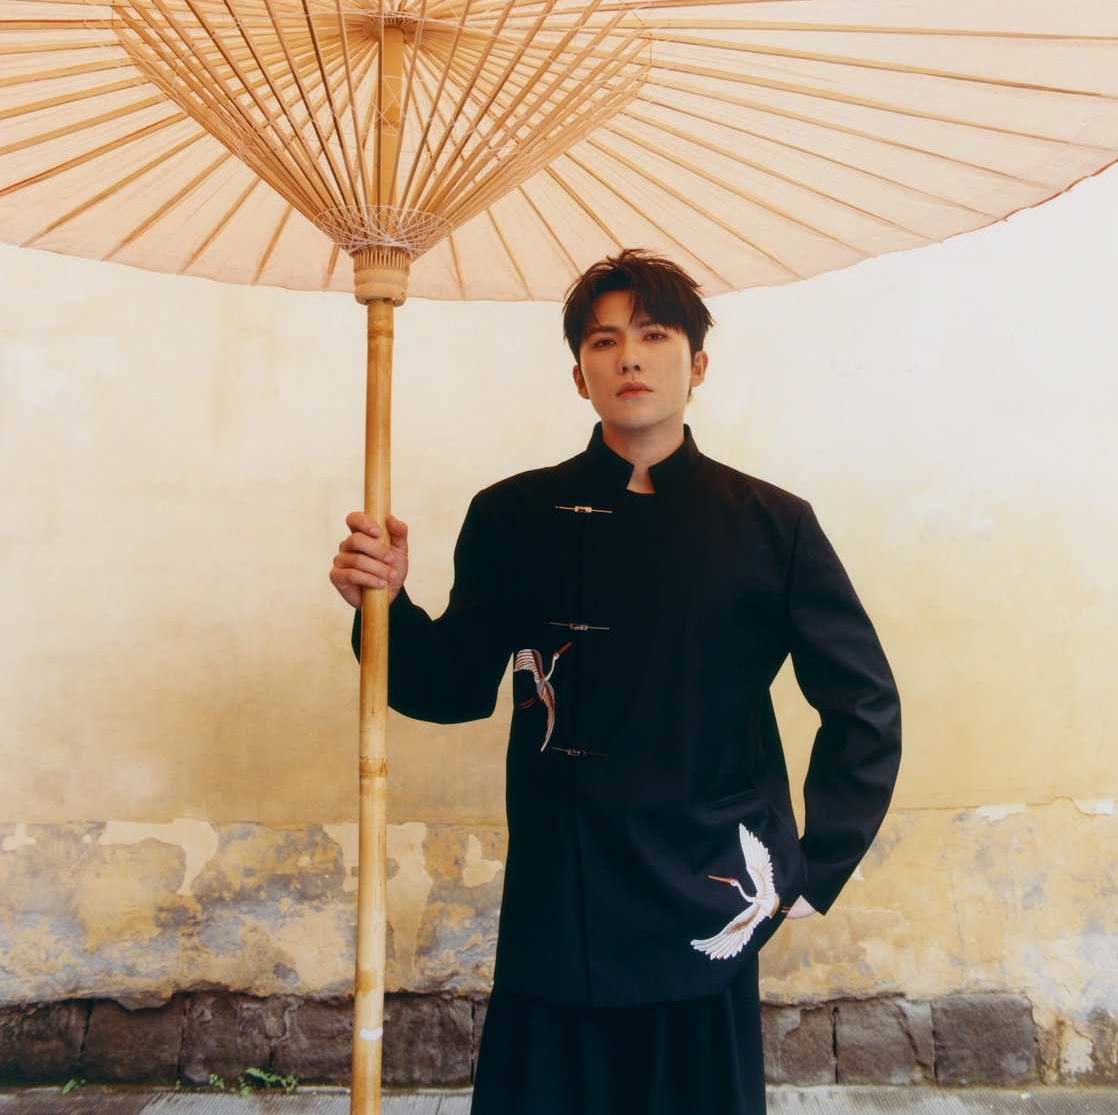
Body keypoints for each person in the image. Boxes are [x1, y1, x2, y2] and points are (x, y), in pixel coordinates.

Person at [330, 249, 901, 1115]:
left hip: (706, 892)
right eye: (603, 341)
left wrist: (814, 867)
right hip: (562, 896)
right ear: (579, 375)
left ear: (697, 364)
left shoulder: (770, 525)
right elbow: (448, 687)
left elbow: (864, 705)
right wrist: (387, 602)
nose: (629, 357)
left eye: (654, 334)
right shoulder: (514, 515)